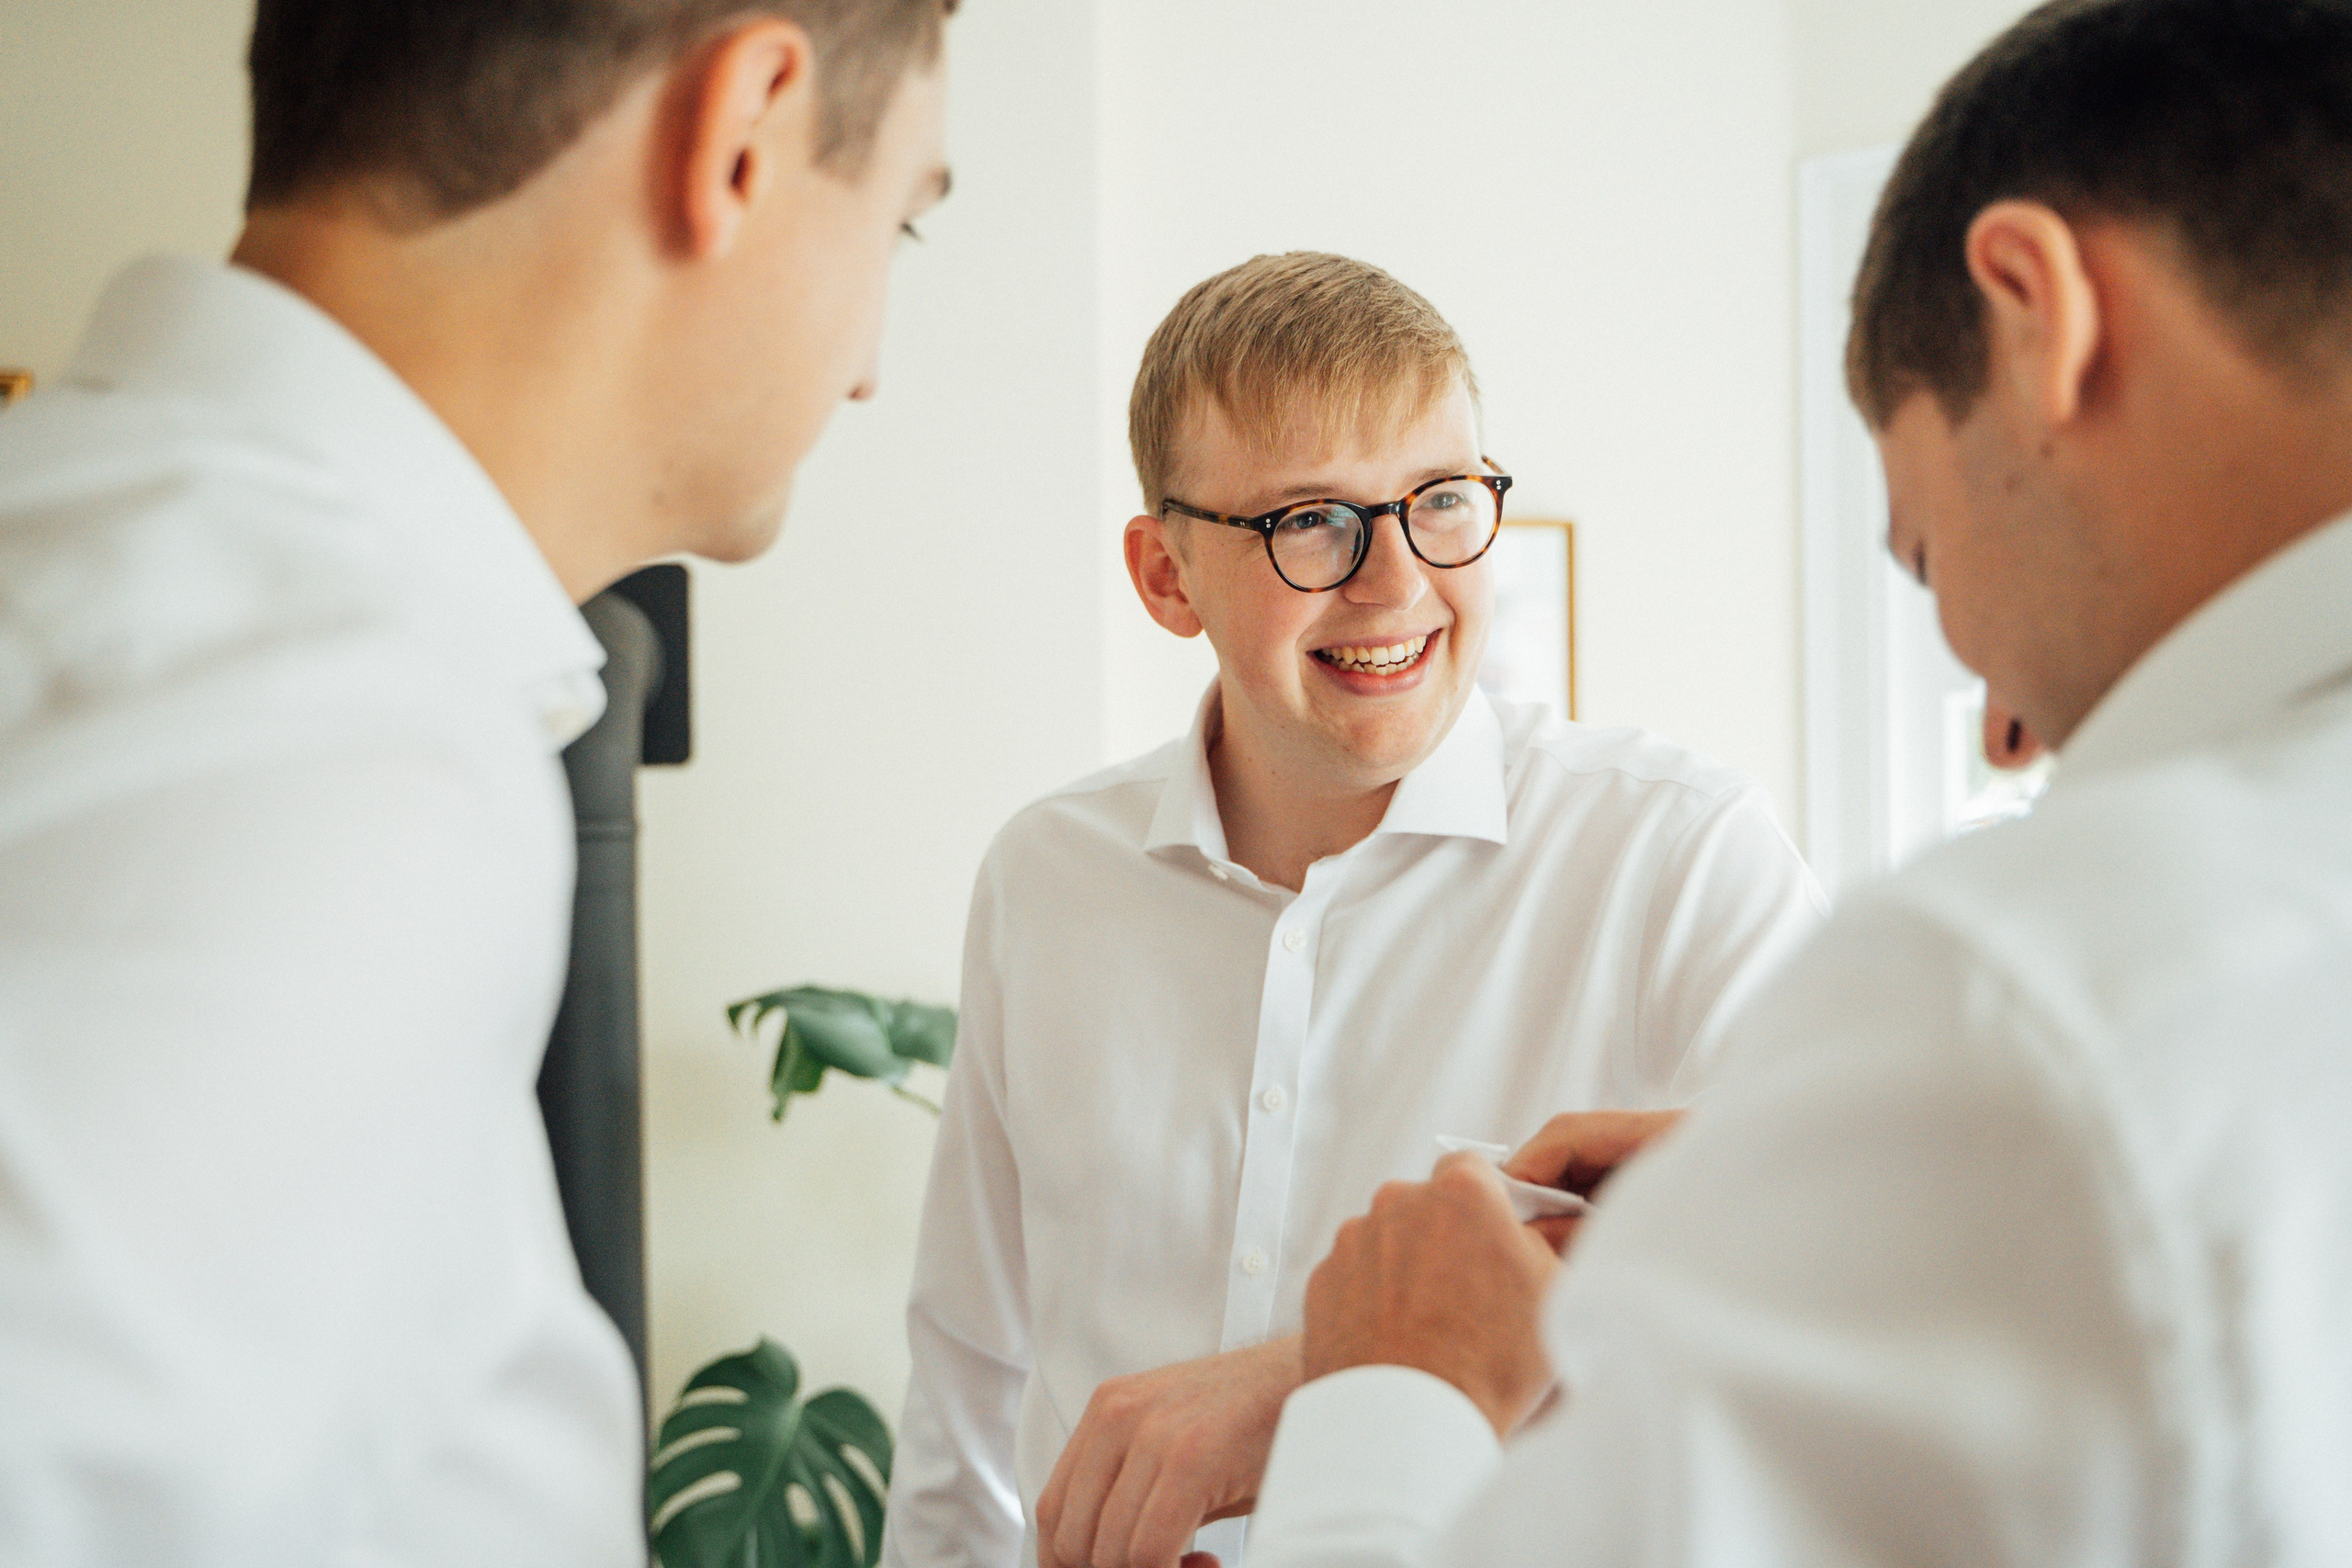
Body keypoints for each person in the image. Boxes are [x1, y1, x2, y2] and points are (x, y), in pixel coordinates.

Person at [1244, 1, 2352, 1563]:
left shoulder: (2016, 985)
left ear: (2038, 317)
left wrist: (1390, 1392)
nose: (1999, 739)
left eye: (1924, 555)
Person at [0, 2, 953, 1563]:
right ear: (746, 136)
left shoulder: (122, 562)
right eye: (904, 224)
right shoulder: (307, 738)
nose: (867, 376)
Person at [878, 252, 1827, 1568]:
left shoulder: (1679, 856)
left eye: (1439, 501)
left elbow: (1846, 1299)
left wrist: (1307, 1386)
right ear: (1166, 576)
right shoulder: (1043, 879)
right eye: (1309, 522)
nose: (1394, 584)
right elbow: (969, 1379)